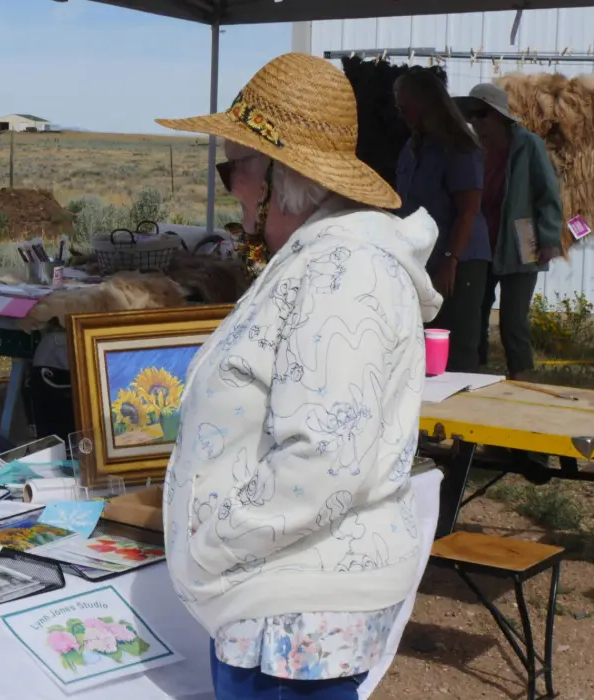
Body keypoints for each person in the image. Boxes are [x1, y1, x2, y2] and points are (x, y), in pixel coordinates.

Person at [155, 53, 442, 700]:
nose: (228, 188)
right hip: (277, 601)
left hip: (294, 617)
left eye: (231, 168)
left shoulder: (346, 274)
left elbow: (323, 460)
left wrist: (211, 541)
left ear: (278, 177)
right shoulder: (319, 262)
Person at [455, 82, 562, 379]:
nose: (475, 121)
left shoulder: (528, 145)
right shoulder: (472, 148)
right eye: (470, 115)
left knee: (513, 319)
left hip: (521, 242)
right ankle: (474, 375)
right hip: (480, 245)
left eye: (481, 114)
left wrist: (549, 238)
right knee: (475, 312)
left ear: (500, 115)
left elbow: (548, 195)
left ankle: (522, 378)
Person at [394, 68, 491, 372]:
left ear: (424, 104)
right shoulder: (409, 150)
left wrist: (451, 259)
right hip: (425, 258)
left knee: (458, 343)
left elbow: (468, 209)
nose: (401, 114)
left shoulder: (459, 148)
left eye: (404, 107)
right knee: (421, 341)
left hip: (460, 259)